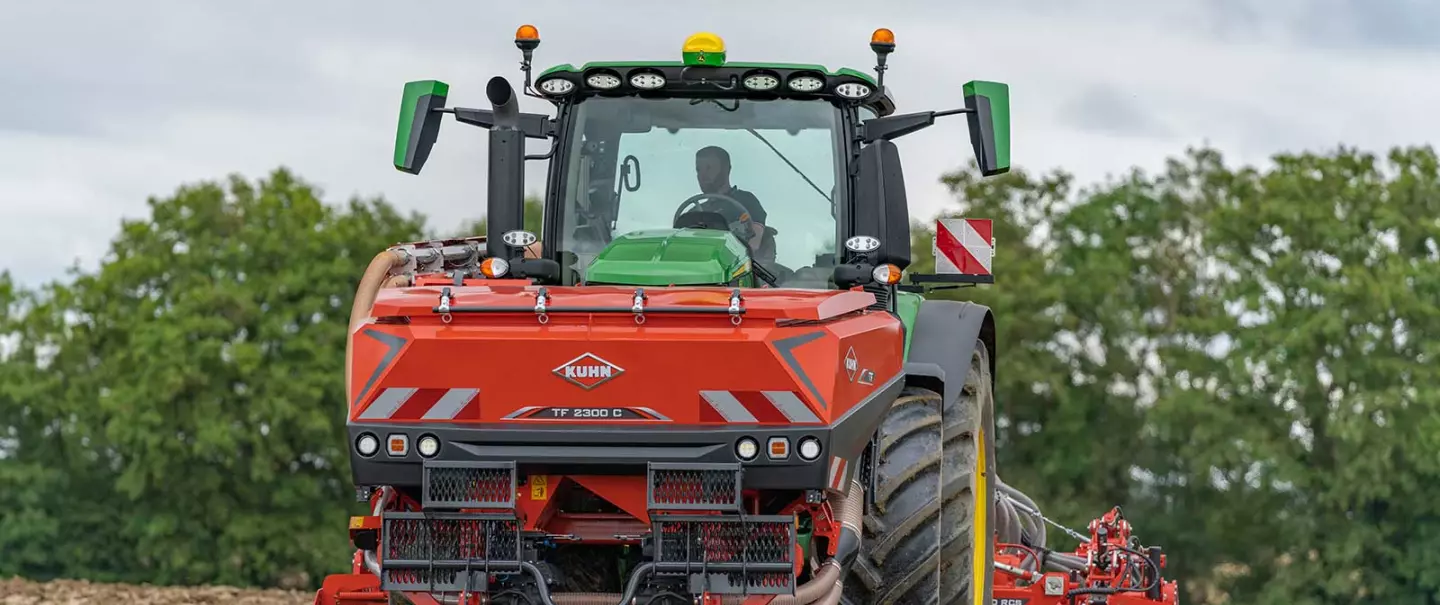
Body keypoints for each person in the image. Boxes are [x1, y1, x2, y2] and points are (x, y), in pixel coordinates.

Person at [693, 146, 774, 261]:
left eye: (709, 168)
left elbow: (754, 244)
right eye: (698, 170)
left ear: (726, 169)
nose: (702, 175)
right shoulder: (693, 213)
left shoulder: (746, 201)